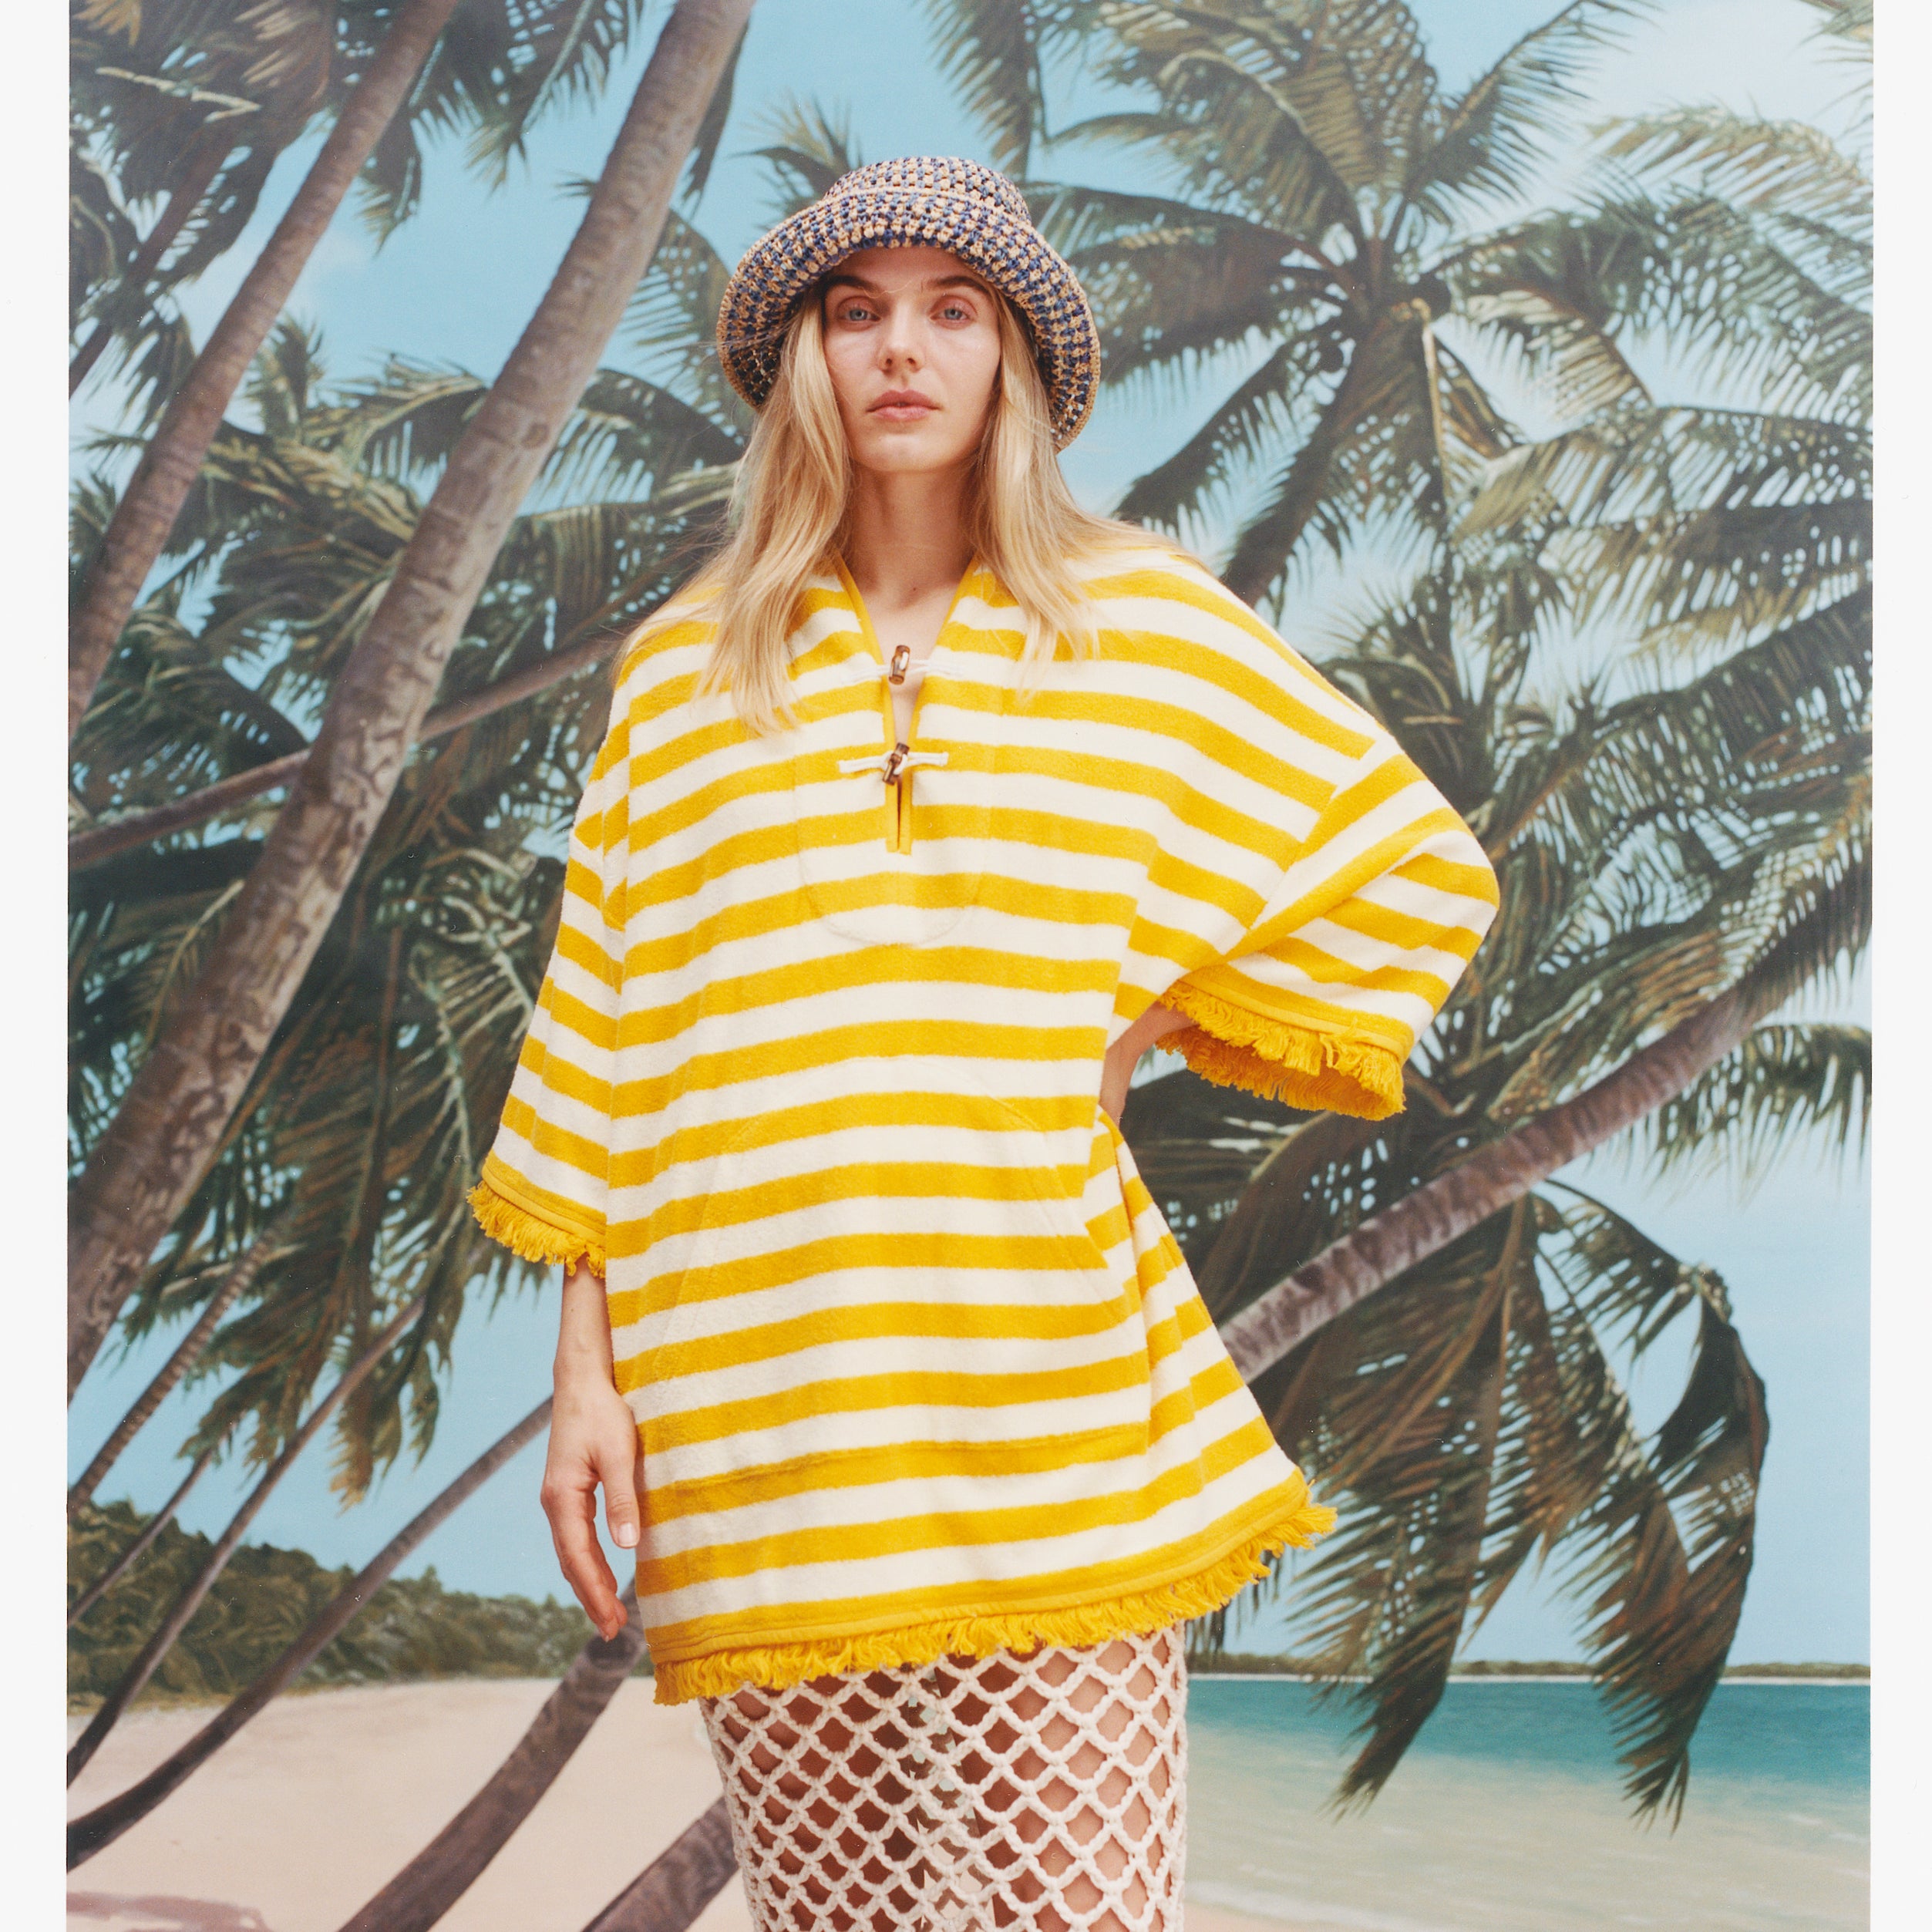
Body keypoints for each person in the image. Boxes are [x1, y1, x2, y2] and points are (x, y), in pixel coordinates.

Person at [468, 157, 1499, 1932]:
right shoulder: (677, 678)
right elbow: (605, 1037)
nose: (900, 349)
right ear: (801, 355)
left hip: (1039, 1363)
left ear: (1012, 358)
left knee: (1075, 1905)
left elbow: (1409, 868)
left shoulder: (1143, 631)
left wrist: (1135, 1017)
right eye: (854, 310)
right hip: (759, 1393)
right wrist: (585, 1376)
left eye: (952, 310)